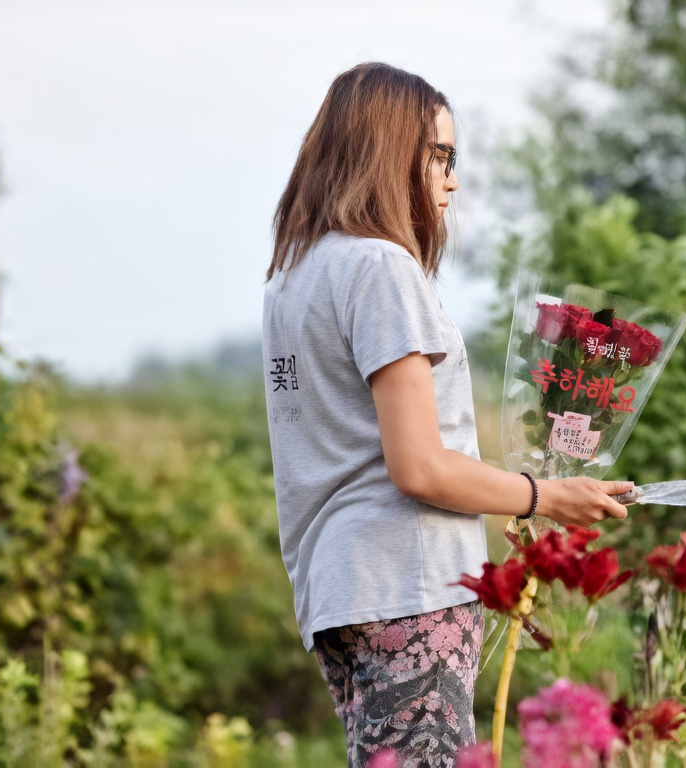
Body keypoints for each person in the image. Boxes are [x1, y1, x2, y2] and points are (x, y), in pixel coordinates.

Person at [262, 62, 631, 768]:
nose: (451, 179)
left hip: (338, 590)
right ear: (388, 151)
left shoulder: (293, 277)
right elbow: (419, 467)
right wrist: (544, 495)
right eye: (439, 155)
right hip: (408, 583)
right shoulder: (380, 269)